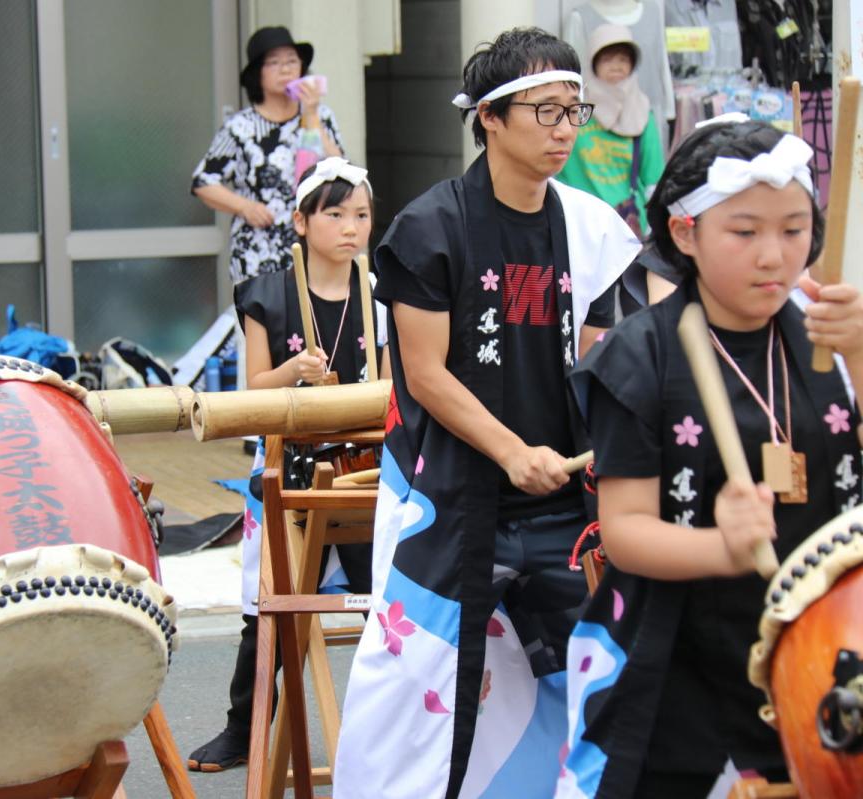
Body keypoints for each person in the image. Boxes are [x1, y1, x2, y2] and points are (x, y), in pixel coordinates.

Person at [332, 28, 641, 798]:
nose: (566, 128)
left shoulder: (593, 229)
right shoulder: (430, 229)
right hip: (453, 504)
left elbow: (610, 357)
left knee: (605, 681)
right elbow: (427, 374)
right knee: (413, 692)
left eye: (575, 110)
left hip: (567, 509)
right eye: (546, 111)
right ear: (491, 118)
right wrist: (510, 451)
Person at [558, 119, 863, 798]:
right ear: (686, 232)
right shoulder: (642, 355)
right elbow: (626, 531)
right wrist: (722, 548)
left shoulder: (831, 335)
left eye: (793, 229)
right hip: (679, 660)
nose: (774, 256)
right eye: (745, 231)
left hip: (831, 648)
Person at [187, 158, 389, 772]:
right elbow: (252, 393)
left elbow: (390, 381)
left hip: (363, 468)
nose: (350, 227)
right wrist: (289, 375)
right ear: (300, 222)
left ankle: (386, 732)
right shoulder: (267, 295)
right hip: (289, 461)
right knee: (265, 605)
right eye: (334, 214)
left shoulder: (379, 294)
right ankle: (244, 727)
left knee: (384, 605)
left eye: (361, 214)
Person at [192, 26, 344, 283]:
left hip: (313, 250)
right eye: (274, 63)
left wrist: (312, 115)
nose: (285, 69)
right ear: (257, 74)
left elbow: (340, 169)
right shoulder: (240, 127)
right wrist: (245, 207)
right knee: (262, 321)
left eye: (291, 61)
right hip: (257, 252)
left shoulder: (321, 116)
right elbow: (203, 182)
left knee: (312, 322)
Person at [556, 24, 664, 239]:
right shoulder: (573, 110)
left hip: (626, 228)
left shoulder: (642, 113)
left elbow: (653, 180)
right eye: (608, 59)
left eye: (623, 59)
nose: (616, 66)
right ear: (593, 64)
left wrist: (657, 228)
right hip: (577, 223)